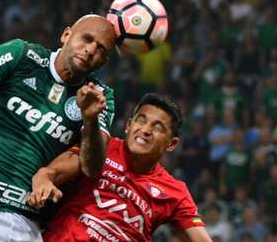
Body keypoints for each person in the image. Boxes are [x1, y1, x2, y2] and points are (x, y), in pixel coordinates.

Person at [0, 14, 117, 242]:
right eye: (86, 39)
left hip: (28, 226)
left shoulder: (100, 96)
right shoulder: (23, 55)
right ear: (66, 35)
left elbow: (92, 167)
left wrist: (89, 119)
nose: (90, 50)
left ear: (104, 62)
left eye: (101, 50)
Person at [29, 93, 213, 242]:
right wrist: (44, 179)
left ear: (171, 144)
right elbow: (52, 172)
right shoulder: (100, 148)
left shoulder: (175, 192)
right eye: (141, 120)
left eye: (157, 127)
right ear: (128, 125)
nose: (146, 130)